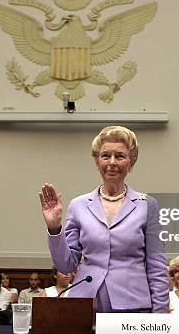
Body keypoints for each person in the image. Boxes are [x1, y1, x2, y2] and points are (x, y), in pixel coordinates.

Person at [40, 126, 169, 312]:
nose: (112, 162)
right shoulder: (79, 205)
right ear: (97, 161)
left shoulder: (147, 205)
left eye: (120, 156)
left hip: (133, 306)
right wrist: (54, 228)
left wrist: (160, 316)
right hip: (86, 304)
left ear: (131, 163)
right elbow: (66, 265)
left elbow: (156, 265)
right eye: (106, 156)